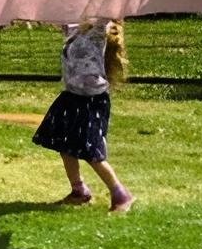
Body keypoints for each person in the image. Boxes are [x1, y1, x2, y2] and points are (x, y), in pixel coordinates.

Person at [32, 18, 134, 213]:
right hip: (72, 96)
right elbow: (52, 12)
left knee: (92, 152)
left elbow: (109, 3)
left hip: (92, 101)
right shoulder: (73, 29)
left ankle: (120, 194)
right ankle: (79, 191)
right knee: (65, 146)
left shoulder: (97, 30)